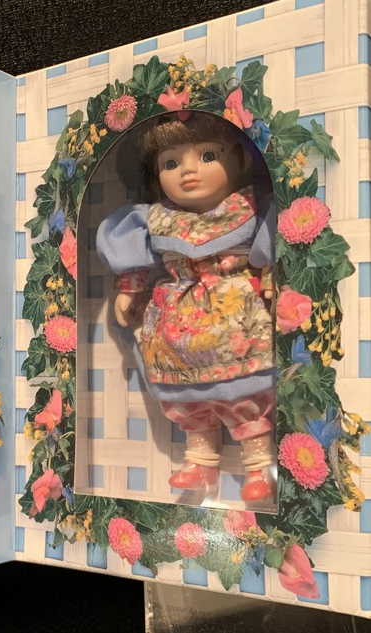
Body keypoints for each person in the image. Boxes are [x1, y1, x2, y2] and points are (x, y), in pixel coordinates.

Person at [96, 112, 276, 503]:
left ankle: (259, 462)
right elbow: (138, 256)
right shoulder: (156, 219)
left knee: (242, 392)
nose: (187, 170)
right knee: (185, 392)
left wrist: (270, 274)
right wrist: (129, 289)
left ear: (240, 159)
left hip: (234, 314)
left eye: (208, 155)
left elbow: (269, 248)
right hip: (177, 321)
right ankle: (200, 456)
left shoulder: (249, 208)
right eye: (171, 162)